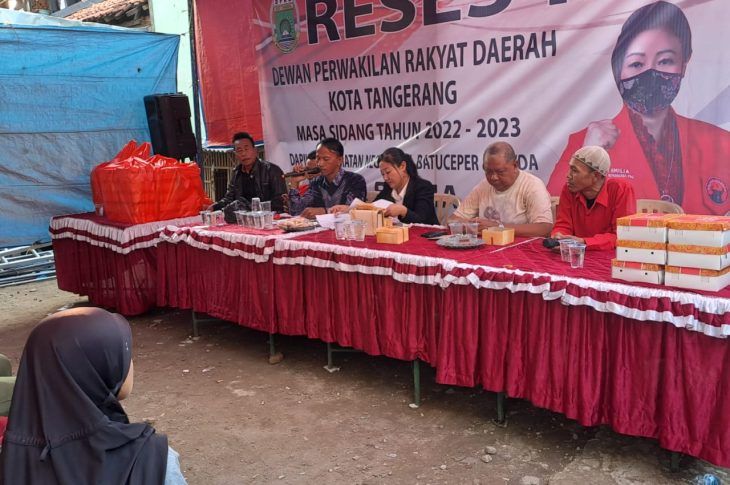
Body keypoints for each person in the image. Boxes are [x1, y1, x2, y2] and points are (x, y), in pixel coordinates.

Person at [547, 1, 730, 215]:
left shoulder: (721, 143)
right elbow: (554, 211)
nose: (650, 73)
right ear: (619, 71)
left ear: (683, 64)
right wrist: (588, 156)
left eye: (665, 61)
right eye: (636, 64)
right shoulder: (585, 143)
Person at [0, 307, 186, 485]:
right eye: (124, 354)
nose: (130, 363)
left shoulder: (10, 458)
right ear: (97, 371)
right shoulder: (152, 461)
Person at [449, 141, 553, 236]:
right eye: (488, 172)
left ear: (515, 165)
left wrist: (498, 228)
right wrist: (473, 225)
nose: (493, 177)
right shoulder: (484, 186)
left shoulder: (532, 186)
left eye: (500, 172)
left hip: (520, 248)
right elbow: (452, 220)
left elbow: (544, 228)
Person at [551, 146, 636, 250]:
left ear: (596, 175)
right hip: (576, 254)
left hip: (611, 256)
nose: (568, 175)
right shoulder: (569, 189)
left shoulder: (621, 189)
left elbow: (622, 235)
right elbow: (563, 225)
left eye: (574, 170)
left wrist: (584, 242)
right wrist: (559, 236)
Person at [330, 147, 439, 225]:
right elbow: (374, 208)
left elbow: (422, 220)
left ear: (402, 166)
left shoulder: (423, 187)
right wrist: (350, 208)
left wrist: (403, 211)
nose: (385, 178)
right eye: (383, 174)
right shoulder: (388, 187)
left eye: (388, 172)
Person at [288, 138, 366, 218]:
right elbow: (296, 212)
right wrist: (294, 182)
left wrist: (325, 211)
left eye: (326, 159)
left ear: (340, 160)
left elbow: (353, 210)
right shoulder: (316, 182)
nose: (320, 163)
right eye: (318, 158)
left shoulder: (355, 180)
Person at [210, 132, 287, 213]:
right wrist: (215, 207)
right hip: (242, 217)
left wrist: (250, 208)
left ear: (255, 150)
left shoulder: (271, 170)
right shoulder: (236, 173)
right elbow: (229, 199)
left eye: (246, 149)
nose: (243, 154)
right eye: (239, 150)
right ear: (235, 155)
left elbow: (280, 201)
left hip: (269, 216)